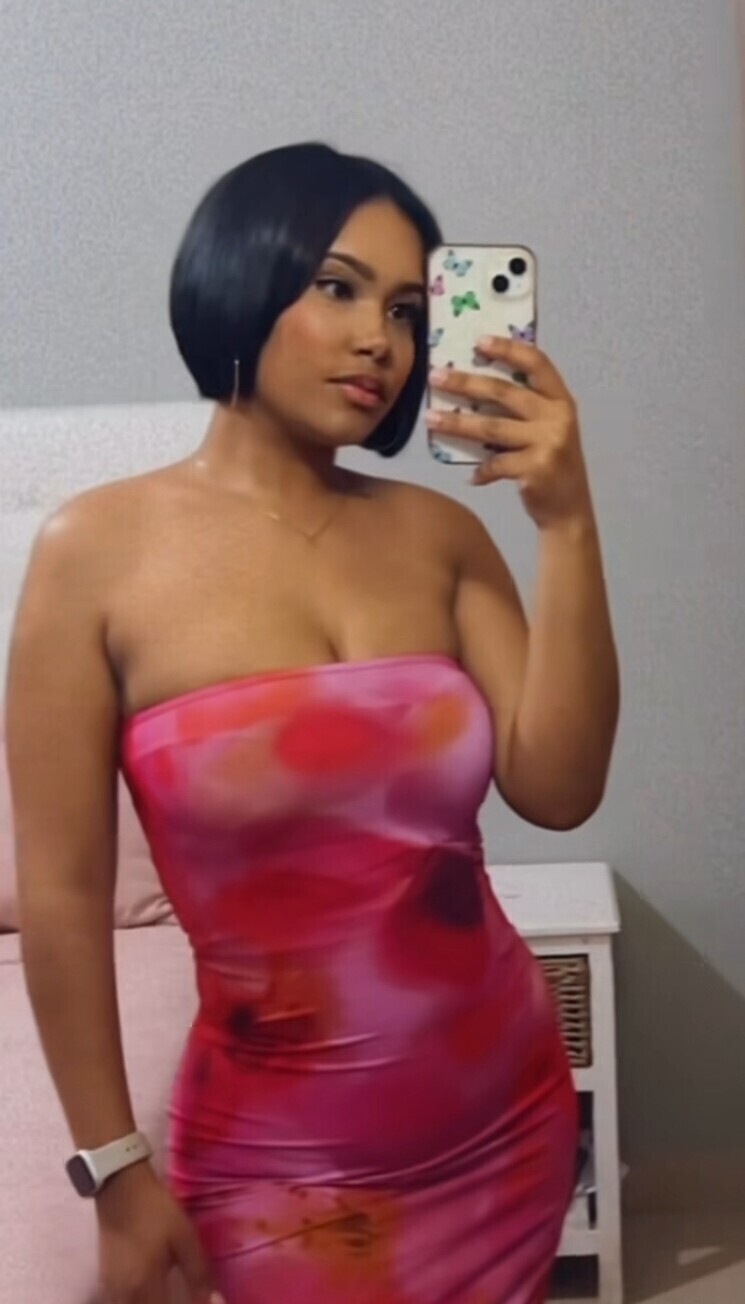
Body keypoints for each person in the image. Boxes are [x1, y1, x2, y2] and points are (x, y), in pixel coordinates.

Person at [6, 141, 620, 1304]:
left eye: (405, 310)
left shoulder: (441, 538)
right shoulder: (92, 555)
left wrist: (568, 523)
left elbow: (559, 786)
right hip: (277, 1166)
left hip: (506, 1113)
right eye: (337, 287)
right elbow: (64, 897)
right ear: (240, 276)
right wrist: (116, 1169)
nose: (378, 338)